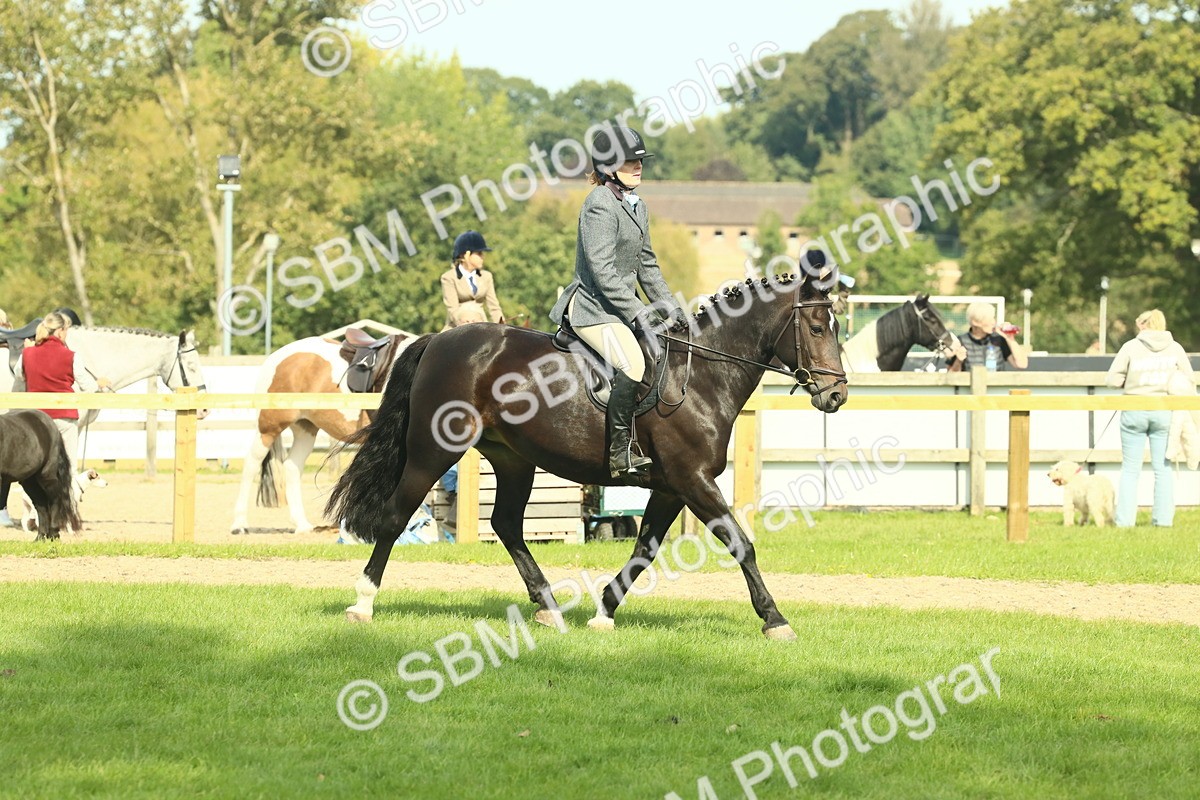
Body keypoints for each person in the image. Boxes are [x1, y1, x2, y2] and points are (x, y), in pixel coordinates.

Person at [547, 126, 687, 481]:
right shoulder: (598, 204)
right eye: (630, 161)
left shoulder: (638, 207)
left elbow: (648, 267)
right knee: (633, 363)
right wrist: (639, 313)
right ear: (609, 166)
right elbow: (604, 271)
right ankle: (619, 453)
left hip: (619, 311)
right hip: (593, 311)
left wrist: (673, 310)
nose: (638, 166)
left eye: (640, 160)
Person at [1105, 309, 1194, 527]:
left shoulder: (1131, 347)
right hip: (1164, 411)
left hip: (1134, 409)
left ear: (1143, 324)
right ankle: (1163, 520)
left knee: (1130, 469)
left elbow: (1112, 379)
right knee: (1162, 469)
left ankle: (1125, 521)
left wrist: (1131, 382)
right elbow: (1189, 379)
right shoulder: (1175, 348)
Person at [14, 312, 106, 481]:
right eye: (66, 330)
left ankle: (35, 506)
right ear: (60, 331)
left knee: (35, 471)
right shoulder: (71, 356)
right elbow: (89, 387)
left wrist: (28, 351)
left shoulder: (28, 354)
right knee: (69, 469)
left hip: (36, 419)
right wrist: (98, 384)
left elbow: (19, 375)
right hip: (64, 419)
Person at [441, 231, 504, 330]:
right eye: (479, 253)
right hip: (457, 326)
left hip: (481, 324)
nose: (483, 257)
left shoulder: (486, 276)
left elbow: (494, 307)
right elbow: (452, 309)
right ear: (466, 255)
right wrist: (466, 321)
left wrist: (502, 325)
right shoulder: (448, 277)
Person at [946, 302, 1028, 371]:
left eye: (993, 318)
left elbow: (1022, 364)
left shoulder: (999, 339)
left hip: (996, 388)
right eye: (989, 319)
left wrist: (1010, 338)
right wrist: (958, 361)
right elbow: (950, 375)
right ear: (975, 322)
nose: (993, 322)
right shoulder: (961, 341)